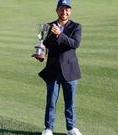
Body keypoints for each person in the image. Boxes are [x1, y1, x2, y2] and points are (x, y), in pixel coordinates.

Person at [36, 0, 83, 135]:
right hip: (53, 69)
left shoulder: (76, 27)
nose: (64, 12)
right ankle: (48, 128)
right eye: (62, 9)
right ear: (57, 10)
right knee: (51, 101)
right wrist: (41, 56)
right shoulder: (48, 26)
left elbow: (75, 44)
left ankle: (71, 128)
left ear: (70, 11)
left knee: (70, 102)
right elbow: (44, 46)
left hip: (70, 70)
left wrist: (60, 34)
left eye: (67, 9)